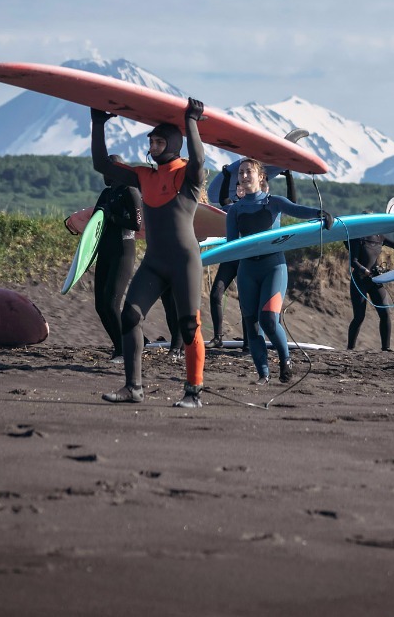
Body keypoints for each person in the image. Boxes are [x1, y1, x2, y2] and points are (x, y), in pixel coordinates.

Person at [92, 100, 208, 408]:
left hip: (185, 261)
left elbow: (199, 161)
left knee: (188, 327)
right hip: (155, 262)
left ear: (173, 144)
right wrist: (99, 123)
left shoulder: (188, 176)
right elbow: (103, 166)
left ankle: (193, 393)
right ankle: (134, 388)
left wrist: (191, 121)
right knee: (130, 316)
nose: (153, 146)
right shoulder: (145, 176)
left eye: (159, 141)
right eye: (151, 142)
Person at [223, 158, 332, 384]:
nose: (243, 176)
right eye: (240, 172)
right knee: (251, 325)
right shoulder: (234, 210)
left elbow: (298, 210)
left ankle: (285, 359)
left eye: (248, 172)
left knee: (269, 320)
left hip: (273, 266)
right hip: (247, 270)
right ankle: (263, 373)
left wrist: (320, 213)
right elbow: (231, 245)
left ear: (261, 176)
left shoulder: (274, 202)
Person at [209, 161, 298, 350]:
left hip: (250, 259)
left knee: (251, 304)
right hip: (232, 257)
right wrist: (226, 175)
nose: (241, 191)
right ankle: (218, 337)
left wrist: (289, 177)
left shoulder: (269, 204)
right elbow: (223, 200)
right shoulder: (234, 208)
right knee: (217, 293)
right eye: (238, 188)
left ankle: (251, 344)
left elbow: (293, 204)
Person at [67, 154, 143, 362]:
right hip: (105, 252)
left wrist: (112, 217)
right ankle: (118, 346)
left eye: (106, 172)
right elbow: (95, 223)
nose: (103, 177)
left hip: (123, 251)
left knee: (111, 303)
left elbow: (136, 224)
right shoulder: (106, 193)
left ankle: (124, 350)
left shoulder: (130, 191)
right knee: (100, 305)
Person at [346, 214, 394, 351]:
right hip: (360, 279)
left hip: (375, 279)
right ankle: (350, 348)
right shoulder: (357, 237)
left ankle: (385, 348)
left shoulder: (379, 236)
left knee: (385, 313)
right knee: (359, 316)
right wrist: (364, 271)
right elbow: (354, 261)